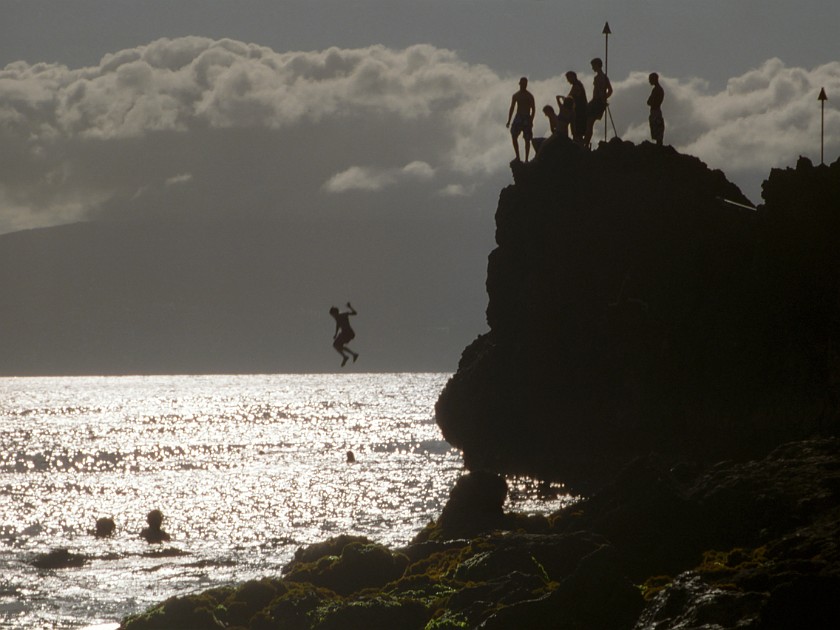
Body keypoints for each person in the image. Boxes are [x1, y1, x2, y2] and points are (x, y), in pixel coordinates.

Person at [584, 58, 613, 147]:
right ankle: (586, 142)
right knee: (588, 122)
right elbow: (610, 90)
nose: (592, 68)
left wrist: (603, 98)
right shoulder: (603, 77)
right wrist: (604, 98)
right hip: (597, 102)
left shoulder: (600, 78)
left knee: (589, 122)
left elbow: (608, 90)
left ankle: (586, 143)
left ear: (597, 65)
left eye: (593, 66)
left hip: (597, 102)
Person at [505, 77, 536, 161]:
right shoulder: (516, 95)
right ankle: (518, 156)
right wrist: (509, 120)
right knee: (514, 135)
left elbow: (533, 109)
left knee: (527, 139)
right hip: (519, 117)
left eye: (525, 84)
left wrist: (531, 120)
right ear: (519, 84)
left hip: (526, 117)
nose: (523, 85)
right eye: (522, 84)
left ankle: (526, 159)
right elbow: (512, 108)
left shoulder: (529, 96)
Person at [329, 302, 359, 367]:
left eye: (332, 315)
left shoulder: (343, 315)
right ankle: (351, 355)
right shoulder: (337, 318)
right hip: (344, 333)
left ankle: (348, 356)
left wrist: (350, 307)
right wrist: (335, 334)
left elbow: (355, 313)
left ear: (335, 313)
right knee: (337, 345)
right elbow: (338, 325)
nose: (333, 317)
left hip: (348, 333)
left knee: (336, 345)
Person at [565, 71, 587, 145]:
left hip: (579, 112)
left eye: (569, 78)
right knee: (576, 132)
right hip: (577, 111)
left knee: (578, 132)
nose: (568, 80)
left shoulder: (577, 86)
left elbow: (571, 96)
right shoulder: (576, 85)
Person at [647, 72, 665, 146]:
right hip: (656, 111)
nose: (649, 81)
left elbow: (650, 101)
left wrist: (652, 102)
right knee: (656, 129)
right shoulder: (658, 89)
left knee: (657, 129)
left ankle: (659, 146)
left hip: (656, 111)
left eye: (650, 79)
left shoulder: (657, 90)